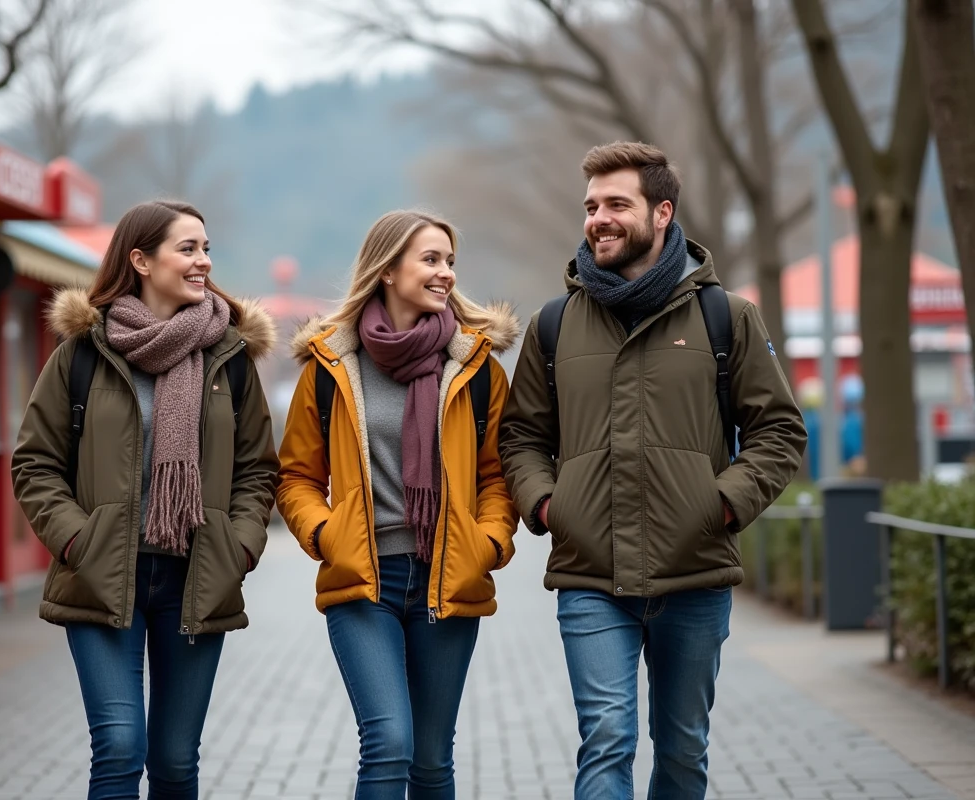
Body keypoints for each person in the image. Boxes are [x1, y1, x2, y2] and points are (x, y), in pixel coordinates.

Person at [498, 142, 806, 799]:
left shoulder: (727, 317)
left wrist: (720, 505)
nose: (598, 218)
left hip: (695, 573)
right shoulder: (554, 325)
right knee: (606, 738)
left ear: (662, 212)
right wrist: (551, 506)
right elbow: (521, 435)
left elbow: (780, 431)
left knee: (683, 749)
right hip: (590, 573)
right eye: (589, 206)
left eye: (616, 204)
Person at [11, 200, 278, 800]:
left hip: (197, 574)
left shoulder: (229, 359)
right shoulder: (83, 353)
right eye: (187, 249)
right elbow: (35, 462)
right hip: (102, 573)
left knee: (177, 763)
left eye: (206, 249)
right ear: (140, 259)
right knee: (119, 748)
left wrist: (238, 546)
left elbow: (258, 471)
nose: (203, 261)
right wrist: (78, 538)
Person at [277, 209, 520, 799]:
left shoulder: (475, 366)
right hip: (365, 580)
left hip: (448, 576)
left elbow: (498, 476)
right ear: (387, 270)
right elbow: (295, 477)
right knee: (388, 743)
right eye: (431, 260)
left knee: (432, 761)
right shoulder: (332, 365)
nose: (446, 274)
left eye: (450, 262)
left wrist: (489, 542)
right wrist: (324, 535)